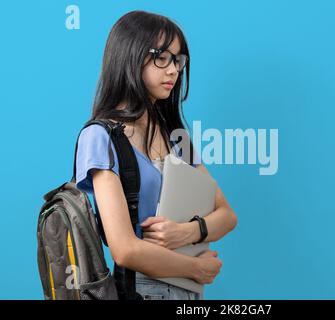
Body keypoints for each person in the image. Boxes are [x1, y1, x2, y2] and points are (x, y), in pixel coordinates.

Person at [75, 10, 237, 300]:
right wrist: (195, 268)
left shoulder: (177, 136)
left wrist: (185, 233)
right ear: (130, 55)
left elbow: (227, 215)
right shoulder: (100, 137)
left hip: (189, 294)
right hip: (142, 291)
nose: (174, 70)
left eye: (178, 60)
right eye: (162, 57)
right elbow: (125, 249)